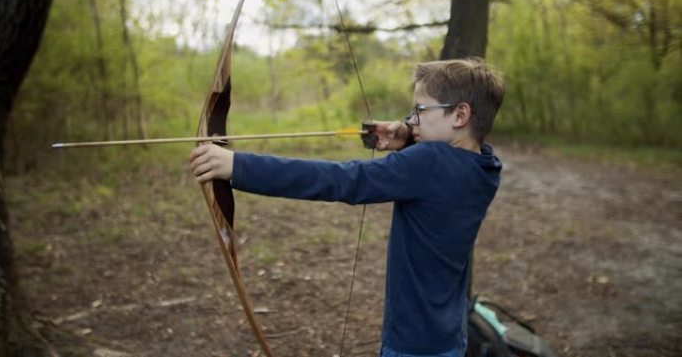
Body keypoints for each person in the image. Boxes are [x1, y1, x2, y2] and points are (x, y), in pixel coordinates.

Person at [189, 58, 504, 357]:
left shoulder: (428, 163)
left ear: (460, 115)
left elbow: (340, 180)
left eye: (420, 110)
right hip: (448, 334)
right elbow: (448, 162)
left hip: (412, 342)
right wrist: (409, 136)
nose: (412, 119)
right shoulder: (485, 167)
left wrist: (238, 166)